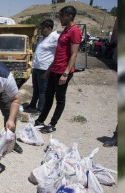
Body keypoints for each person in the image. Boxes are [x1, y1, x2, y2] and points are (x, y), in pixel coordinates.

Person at [35, 6, 82, 134]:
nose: (60, 18)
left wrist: (66, 73)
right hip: (54, 70)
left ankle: (52, 124)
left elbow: (74, 54)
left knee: (60, 99)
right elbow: (59, 53)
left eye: (62, 15)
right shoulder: (65, 31)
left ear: (70, 16)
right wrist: (49, 69)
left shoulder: (75, 31)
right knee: (48, 97)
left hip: (63, 72)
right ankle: (40, 120)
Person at [24, 19, 59, 117]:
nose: (41, 30)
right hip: (37, 68)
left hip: (45, 69)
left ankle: (40, 109)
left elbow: (60, 51)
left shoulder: (55, 37)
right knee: (36, 89)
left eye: (43, 28)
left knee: (43, 90)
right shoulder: (43, 38)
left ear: (49, 28)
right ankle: (32, 105)